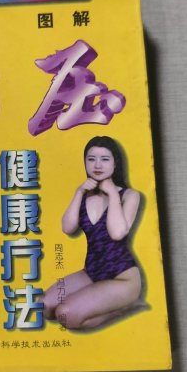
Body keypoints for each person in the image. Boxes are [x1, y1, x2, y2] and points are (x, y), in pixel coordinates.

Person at [43, 136, 144, 330]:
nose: (97, 165)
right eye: (91, 159)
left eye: (105, 159)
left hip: (122, 278)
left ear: (115, 163)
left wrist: (112, 193)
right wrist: (79, 192)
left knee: (65, 315)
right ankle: (96, 296)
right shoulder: (84, 194)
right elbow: (67, 228)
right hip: (91, 272)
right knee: (45, 306)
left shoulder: (129, 195)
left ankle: (127, 306)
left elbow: (117, 233)